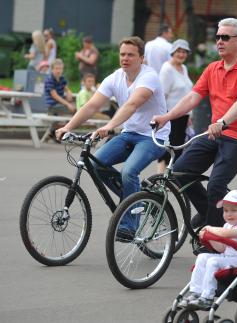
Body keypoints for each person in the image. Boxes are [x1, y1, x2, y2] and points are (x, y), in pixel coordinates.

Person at [152, 18, 237, 228]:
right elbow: (192, 98)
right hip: (215, 134)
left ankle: (214, 239)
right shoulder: (213, 68)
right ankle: (208, 212)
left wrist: (222, 121)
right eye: (218, 37)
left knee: (216, 185)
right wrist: (166, 117)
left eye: (225, 37)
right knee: (178, 172)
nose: (219, 41)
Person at [55, 36, 170, 234]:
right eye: (122, 54)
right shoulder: (116, 77)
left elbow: (132, 105)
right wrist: (68, 127)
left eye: (131, 55)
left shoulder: (149, 77)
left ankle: (129, 224)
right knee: (96, 164)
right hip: (129, 133)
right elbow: (91, 105)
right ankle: (136, 200)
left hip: (153, 136)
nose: (125, 58)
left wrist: (109, 126)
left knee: (129, 172)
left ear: (141, 58)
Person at [178, 190, 237, 310]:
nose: (229, 214)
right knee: (202, 257)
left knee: (213, 262)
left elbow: (227, 234)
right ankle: (196, 293)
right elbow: (221, 248)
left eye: (234, 210)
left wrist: (209, 228)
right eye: (226, 211)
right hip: (228, 258)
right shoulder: (228, 225)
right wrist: (209, 239)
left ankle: (207, 298)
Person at [157, 39, 193, 173]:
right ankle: (160, 178)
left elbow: (187, 92)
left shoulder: (184, 68)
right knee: (168, 148)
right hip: (171, 115)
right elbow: (162, 95)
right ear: (173, 52)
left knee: (178, 148)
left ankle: (170, 177)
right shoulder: (167, 69)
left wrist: (190, 114)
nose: (181, 54)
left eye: (184, 52)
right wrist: (163, 116)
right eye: (179, 51)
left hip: (183, 115)